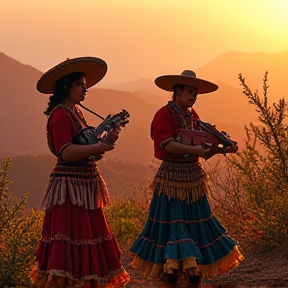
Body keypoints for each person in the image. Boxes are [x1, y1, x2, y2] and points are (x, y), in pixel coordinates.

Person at [130, 70, 244, 288]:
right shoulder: (164, 114)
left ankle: (194, 278)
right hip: (171, 178)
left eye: (196, 93)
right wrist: (199, 150)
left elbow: (202, 147)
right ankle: (171, 277)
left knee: (196, 228)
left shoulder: (194, 116)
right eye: (190, 92)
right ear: (178, 91)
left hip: (193, 179)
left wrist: (222, 149)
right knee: (173, 226)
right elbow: (166, 143)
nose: (194, 96)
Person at [31, 57, 130, 288]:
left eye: (85, 84)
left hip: (85, 185)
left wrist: (109, 138)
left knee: (87, 239)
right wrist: (98, 147)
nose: (85, 89)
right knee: (72, 239)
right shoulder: (60, 115)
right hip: (69, 188)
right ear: (66, 86)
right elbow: (66, 152)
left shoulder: (76, 112)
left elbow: (89, 151)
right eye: (80, 84)